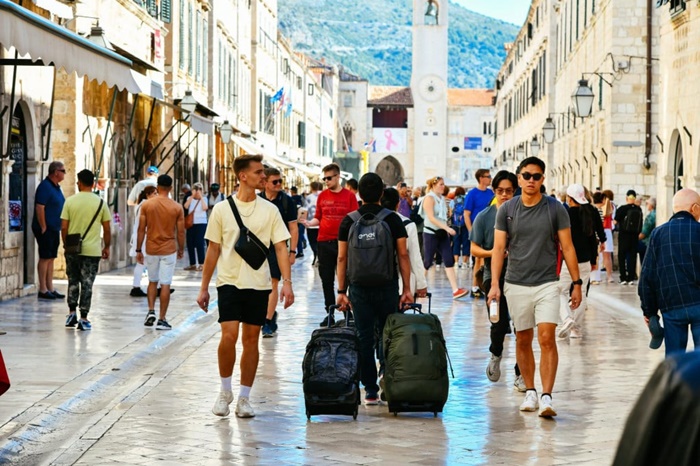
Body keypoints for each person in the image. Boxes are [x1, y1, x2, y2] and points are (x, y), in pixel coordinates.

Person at [197, 154, 294, 418]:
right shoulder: (221, 209)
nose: (264, 177)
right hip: (228, 282)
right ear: (243, 176)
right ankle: (225, 390)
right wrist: (204, 287)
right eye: (259, 172)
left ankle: (244, 398)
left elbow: (281, 247)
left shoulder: (270, 210)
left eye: (264, 173)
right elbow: (213, 250)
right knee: (228, 337)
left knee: (251, 341)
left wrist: (287, 283)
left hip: (259, 284)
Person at [487, 157, 583, 418]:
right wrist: (494, 285)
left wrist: (576, 283)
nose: (531, 180)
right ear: (519, 178)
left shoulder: (555, 209)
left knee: (546, 337)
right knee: (523, 338)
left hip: (547, 283)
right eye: (526, 175)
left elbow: (568, 246)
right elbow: (498, 249)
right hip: (515, 283)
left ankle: (547, 396)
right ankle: (530, 390)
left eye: (536, 176)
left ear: (543, 179)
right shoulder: (506, 210)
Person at [336, 173, 413, 404]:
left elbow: (341, 258)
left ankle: (369, 390)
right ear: (382, 193)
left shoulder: (348, 221)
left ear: (358, 193)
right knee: (389, 335)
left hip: (359, 288)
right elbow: (402, 255)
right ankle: (387, 381)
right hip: (387, 286)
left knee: (364, 337)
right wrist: (407, 288)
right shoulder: (393, 220)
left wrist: (341, 291)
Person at [470, 170, 525, 391]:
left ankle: (521, 372)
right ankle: (495, 354)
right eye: (500, 191)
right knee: (499, 322)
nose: (504, 195)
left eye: (509, 191)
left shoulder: (522, 215)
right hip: (492, 276)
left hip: (520, 275)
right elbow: (474, 247)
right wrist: (493, 252)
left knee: (522, 325)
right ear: (494, 191)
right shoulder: (484, 216)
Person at [638, 189, 700, 356]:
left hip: (671, 305)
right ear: (694, 208)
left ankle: (675, 382)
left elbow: (647, 277)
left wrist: (649, 312)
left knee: (674, 360)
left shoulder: (658, 234)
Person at [302, 164, 358, 326]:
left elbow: (354, 219)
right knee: (326, 279)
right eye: (324, 178)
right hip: (324, 241)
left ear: (338, 177)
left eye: (329, 178)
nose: (326, 181)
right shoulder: (322, 196)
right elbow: (318, 217)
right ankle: (330, 312)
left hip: (344, 242)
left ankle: (348, 310)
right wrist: (309, 223)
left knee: (347, 278)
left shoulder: (349, 196)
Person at [60, 169, 111, 331]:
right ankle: (84, 317)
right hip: (92, 250)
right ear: (92, 183)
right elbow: (107, 228)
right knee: (87, 284)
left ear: (80, 183)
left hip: (73, 249)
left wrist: (65, 244)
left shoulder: (70, 201)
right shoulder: (101, 203)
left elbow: (64, 227)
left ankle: (71, 313)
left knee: (73, 281)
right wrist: (107, 246)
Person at [556, 184, 606, 340]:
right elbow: (594, 237)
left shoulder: (565, 213)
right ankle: (575, 329)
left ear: (569, 198)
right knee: (582, 292)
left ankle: (566, 319)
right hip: (584, 259)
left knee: (560, 291)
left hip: (567, 260)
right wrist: (594, 259)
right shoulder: (590, 211)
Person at [136, 174, 185, 330]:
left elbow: (141, 229)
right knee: (165, 283)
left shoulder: (147, 205)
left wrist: (138, 249)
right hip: (168, 248)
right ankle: (162, 319)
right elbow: (181, 232)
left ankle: (151, 311)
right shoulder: (176, 207)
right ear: (170, 188)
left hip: (151, 248)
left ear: (157, 187)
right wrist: (181, 248)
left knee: (152, 281)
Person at [259, 167, 298, 338]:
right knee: (261, 284)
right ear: (265, 183)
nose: (279, 184)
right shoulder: (257, 200)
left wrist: (293, 251)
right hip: (259, 247)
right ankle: (269, 312)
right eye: (275, 181)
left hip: (278, 247)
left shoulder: (286, 201)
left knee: (274, 282)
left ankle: (267, 321)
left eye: (280, 181)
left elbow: (293, 228)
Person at [421, 176, 468, 299]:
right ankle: (418, 287)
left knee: (448, 260)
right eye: (441, 184)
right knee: (427, 261)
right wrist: (447, 228)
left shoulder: (442, 199)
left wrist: (446, 229)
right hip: (431, 233)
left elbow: (443, 217)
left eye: (443, 184)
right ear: (434, 185)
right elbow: (431, 217)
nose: (443, 186)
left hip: (442, 233)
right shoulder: (429, 198)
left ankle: (455, 290)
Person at [381, 188, 428, 297]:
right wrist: (421, 284)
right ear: (398, 204)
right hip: (399, 284)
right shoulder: (407, 224)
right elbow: (414, 257)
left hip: (370, 281)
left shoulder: (367, 221)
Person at [32, 161, 66, 300]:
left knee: (51, 258)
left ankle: (50, 287)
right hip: (46, 228)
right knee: (45, 257)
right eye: (63, 170)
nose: (65, 173)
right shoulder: (45, 186)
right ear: (56, 172)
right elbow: (40, 207)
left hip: (54, 228)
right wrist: (43, 226)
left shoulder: (56, 187)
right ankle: (43, 289)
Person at [127, 166, 159, 296]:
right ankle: (137, 287)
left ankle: (143, 286)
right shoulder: (145, 206)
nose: (157, 195)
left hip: (144, 238)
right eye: (154, 194)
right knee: (144, 263)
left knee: (146, 263)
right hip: (145, 238)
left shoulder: (143, 204)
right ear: (148, 194)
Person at [464, 169, 495, 297]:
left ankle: (484, 284)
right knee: (478, 259)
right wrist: (471, 231)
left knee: (484, 259)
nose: (490, 179)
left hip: (490, 230)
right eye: (488, 177)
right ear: (481, 178)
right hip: (478, 229)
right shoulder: (472, 194)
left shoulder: (491, 193)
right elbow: (467, 214)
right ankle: (475, 286)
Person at [614, 189, 644, 285]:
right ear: (635, 198)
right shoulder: (639, 209)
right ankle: (631, 277)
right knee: (632, 256)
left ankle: (623, 277)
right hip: (634, 236)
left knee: (622, 256)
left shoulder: (622, 209)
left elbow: (615, 221)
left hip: (624, 235)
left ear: (626, 198)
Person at [183, 182, 209, 271]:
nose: (198, 191)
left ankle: (202, 263)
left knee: (199, 243)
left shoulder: (204, 198)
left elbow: (205, 208)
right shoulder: (189, 198)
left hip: (201, 223)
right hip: (191, 223)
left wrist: (201, 197)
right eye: (196, 189)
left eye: (200, 189)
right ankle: (192, 263)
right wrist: (192, 196)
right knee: (190, 243)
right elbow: (186, 206)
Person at [449, 187, 469, 268]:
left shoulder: (453, 201)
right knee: (466, 243)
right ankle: (464, 263)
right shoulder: (466, 200)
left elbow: (450, 214)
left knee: (456, 243)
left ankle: (456, 263)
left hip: (455, 225)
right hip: (465, 224)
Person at [305, 181, 322, 265]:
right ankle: (318, 255)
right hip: (322, 223)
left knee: (312, 242)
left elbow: (305, 210)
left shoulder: (308, 197)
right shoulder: (324, 196)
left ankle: (316, 254)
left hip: (311, 223)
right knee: (320, 242)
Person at [638, 197, 657, 264]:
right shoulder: (656, 214)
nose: (646, 205)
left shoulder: (651, 216)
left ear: (651, 205)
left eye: (647, 204)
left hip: (646, 242)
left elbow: (644, 232)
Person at [290, 186, 306, 258]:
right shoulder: (301, 198)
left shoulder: (291, 199)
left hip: (295, 219)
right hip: (302, 218)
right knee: (300, 234)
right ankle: (303, 240)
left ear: (292, 191)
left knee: (297, 236)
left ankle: (300, 251)